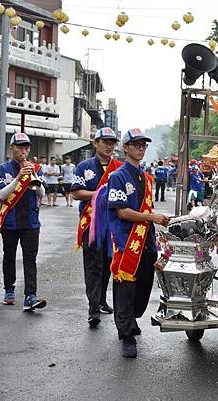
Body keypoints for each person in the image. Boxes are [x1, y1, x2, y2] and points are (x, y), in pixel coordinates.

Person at [107, 128, 169, 357]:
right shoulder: (118, 177)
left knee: (143, 286)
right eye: (136, 144)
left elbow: (147, 210)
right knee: (126, 287)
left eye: (143, 145)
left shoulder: (146, 177)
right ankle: (126, 334)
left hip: (146, 240)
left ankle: (132, 319)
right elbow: (122, 212)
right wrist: (152, 217)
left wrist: (156, 220)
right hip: (126, 240)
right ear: (125, 148)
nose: (140, 148)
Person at [71, 127, 123, 327]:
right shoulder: (84, 166)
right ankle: (93, 309)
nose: (109, 146)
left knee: (109, 264)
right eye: (105, 142)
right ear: (95, 143)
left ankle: (101, 299)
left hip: (113, 225)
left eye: (112, 142)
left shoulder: (119, 167)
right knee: (93, 266)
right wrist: (99, 194)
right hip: (91, 224)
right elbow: (75, 193)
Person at [0, 133, 47, 311]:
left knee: (30, 258)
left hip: (31, 221)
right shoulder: (2, 169)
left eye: (26, 147)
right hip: (10, 221)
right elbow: (0, 195)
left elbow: (42, 194)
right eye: (20, 147)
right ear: (11, 148)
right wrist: (18, 178)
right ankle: (9, 289)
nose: (23, 151)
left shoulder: (35, 168)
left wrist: (32, 176)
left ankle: (31, 295)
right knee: (9, 256)